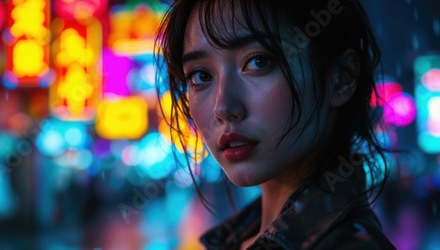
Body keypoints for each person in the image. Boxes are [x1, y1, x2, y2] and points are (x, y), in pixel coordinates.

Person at [155, 0, 396, 249]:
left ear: (341, 78)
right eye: (201, 76)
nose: (223, 107)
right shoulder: (240, 239)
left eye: (258, 62)